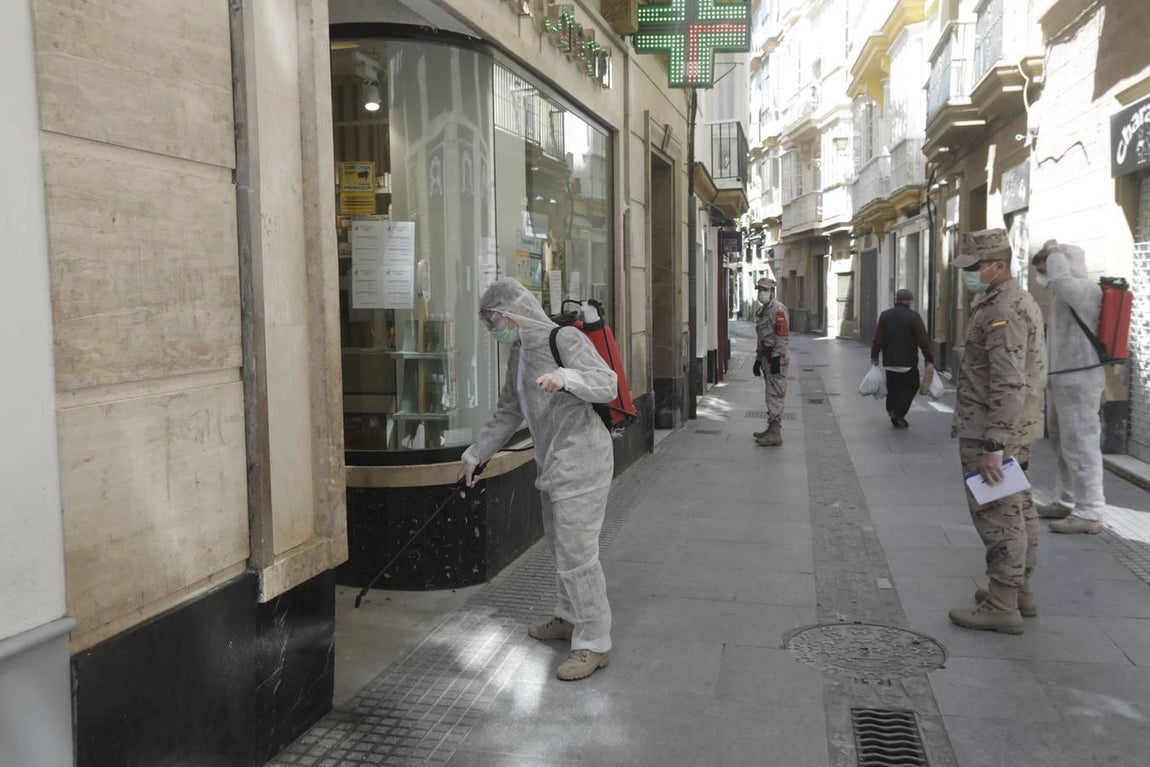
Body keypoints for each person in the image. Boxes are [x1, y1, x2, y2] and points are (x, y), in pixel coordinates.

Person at [459, 278, 618, 681]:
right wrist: (477, 454)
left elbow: (607, 383)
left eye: (493, 319)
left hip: (584, 459)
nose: (492, 328)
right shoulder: (520, 354)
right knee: (561, 545)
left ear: (513, 313)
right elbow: (509, 411)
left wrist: (567, 378)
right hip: (553, 461)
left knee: (578, 552)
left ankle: (594, 642)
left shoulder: (562, 339)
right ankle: (569, 617)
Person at [948, 228, 1047, 634]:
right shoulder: (1011, 301)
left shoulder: (1002, 309)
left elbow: (1009, 382)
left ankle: (1002, 603)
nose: (969, 274)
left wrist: (994, 444)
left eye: (974, 267)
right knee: (1020, 509)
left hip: (993, 430)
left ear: (997, 266)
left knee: (997, 514)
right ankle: (1019, 590)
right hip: (1012, 430)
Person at [1031, 240, 1106, 535]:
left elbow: (1062, 281)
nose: (1044, 276)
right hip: (1061, 378)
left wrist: (1053, 253)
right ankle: (1065, 501)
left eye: (1045, 269)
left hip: (1080, 378)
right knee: (1062, 444)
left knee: (1081, 445)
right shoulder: (1064, 295)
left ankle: (1089, 512)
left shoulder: (1086, 291)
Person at [871, 288, 935, 428]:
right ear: (909, 301)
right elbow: (923, 341)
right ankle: (897, 412)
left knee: (893, 389)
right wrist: (929, 358)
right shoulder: (914, 317)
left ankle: (892, 411)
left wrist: (874, 356)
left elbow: (877, 339)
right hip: (908, 363)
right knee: (911, 387)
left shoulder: (884, 316)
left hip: (889, 362)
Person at [752, 275, 789, 446]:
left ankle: (775, 433)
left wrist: (775, 358)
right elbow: (762, 337)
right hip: (767, 357)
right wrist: (758, 359)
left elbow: (781, 336)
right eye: (759, 290)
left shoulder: (778, 310)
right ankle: (771, 427)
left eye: (765, 290)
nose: (761, 293)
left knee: (775, 394)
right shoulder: (765, 309)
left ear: (773, 291)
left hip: (776, 359)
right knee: (770, 393)